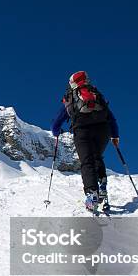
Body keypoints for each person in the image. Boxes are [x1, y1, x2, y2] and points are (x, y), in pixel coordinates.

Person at [51, 71, 120, 213]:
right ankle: (102, 185)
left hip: (82, 130)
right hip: (103, 130)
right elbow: (111, 117)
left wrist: (56, 132)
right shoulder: (97, 95)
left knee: (87, 161)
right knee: (97, 157)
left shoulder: (71, 97)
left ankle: (91, 194)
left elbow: (57, 122)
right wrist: (115, 136)